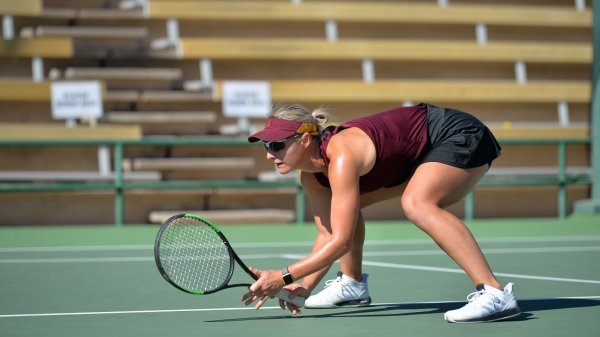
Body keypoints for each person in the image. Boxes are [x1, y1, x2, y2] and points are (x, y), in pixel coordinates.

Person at [241, 102, 521, 323]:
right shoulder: (312, 177)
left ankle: (495, 294)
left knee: (417, 204)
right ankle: (351, 285)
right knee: (346, 212)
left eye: (277, 145)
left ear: (304, 140)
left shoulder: (342, 153)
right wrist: (304, 285)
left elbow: (342, 242)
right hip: (416, 155)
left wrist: (283, 276)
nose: (269, 154)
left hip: (456, 133)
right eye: (267, 146)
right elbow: (329, 234)